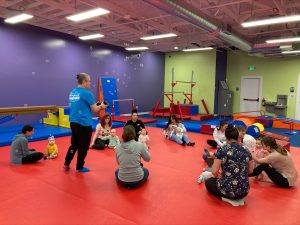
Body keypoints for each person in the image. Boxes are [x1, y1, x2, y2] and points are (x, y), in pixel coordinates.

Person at [64, 73, 108, 172]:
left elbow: (81, 105)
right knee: (83, 146)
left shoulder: (73, 92)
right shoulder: (87, 93)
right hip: (84, 123)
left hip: (73, 122)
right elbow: (94, 109)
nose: (90, 83)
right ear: (84, 81)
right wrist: (101, 106)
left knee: (74, 144)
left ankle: (67, 162)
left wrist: (96, 104)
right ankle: (79, 166)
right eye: (89, 81)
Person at [204, 125, 254, 207]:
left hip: (229, 191)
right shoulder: (246, 150)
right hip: (244, 191)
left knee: (208, 182)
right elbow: (251, 171)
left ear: (226, 137)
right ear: (238, 137)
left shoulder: (223, 149)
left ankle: (227, 197)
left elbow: (214, 171)